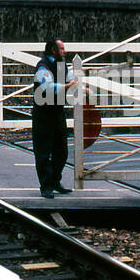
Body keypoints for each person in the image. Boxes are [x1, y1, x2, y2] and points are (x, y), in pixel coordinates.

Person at [32, 38, 79, 199]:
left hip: (57, 112)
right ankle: (46, 186)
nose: (65, 52)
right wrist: (67, 86)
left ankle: (55, 181)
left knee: (62, 150)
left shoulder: (61, 65)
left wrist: (81, 86)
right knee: (43, 151)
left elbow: (72, 79)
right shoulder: (42, 66)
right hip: (43, 114)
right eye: (62, 49)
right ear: (53, 50)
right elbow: (47, 87)